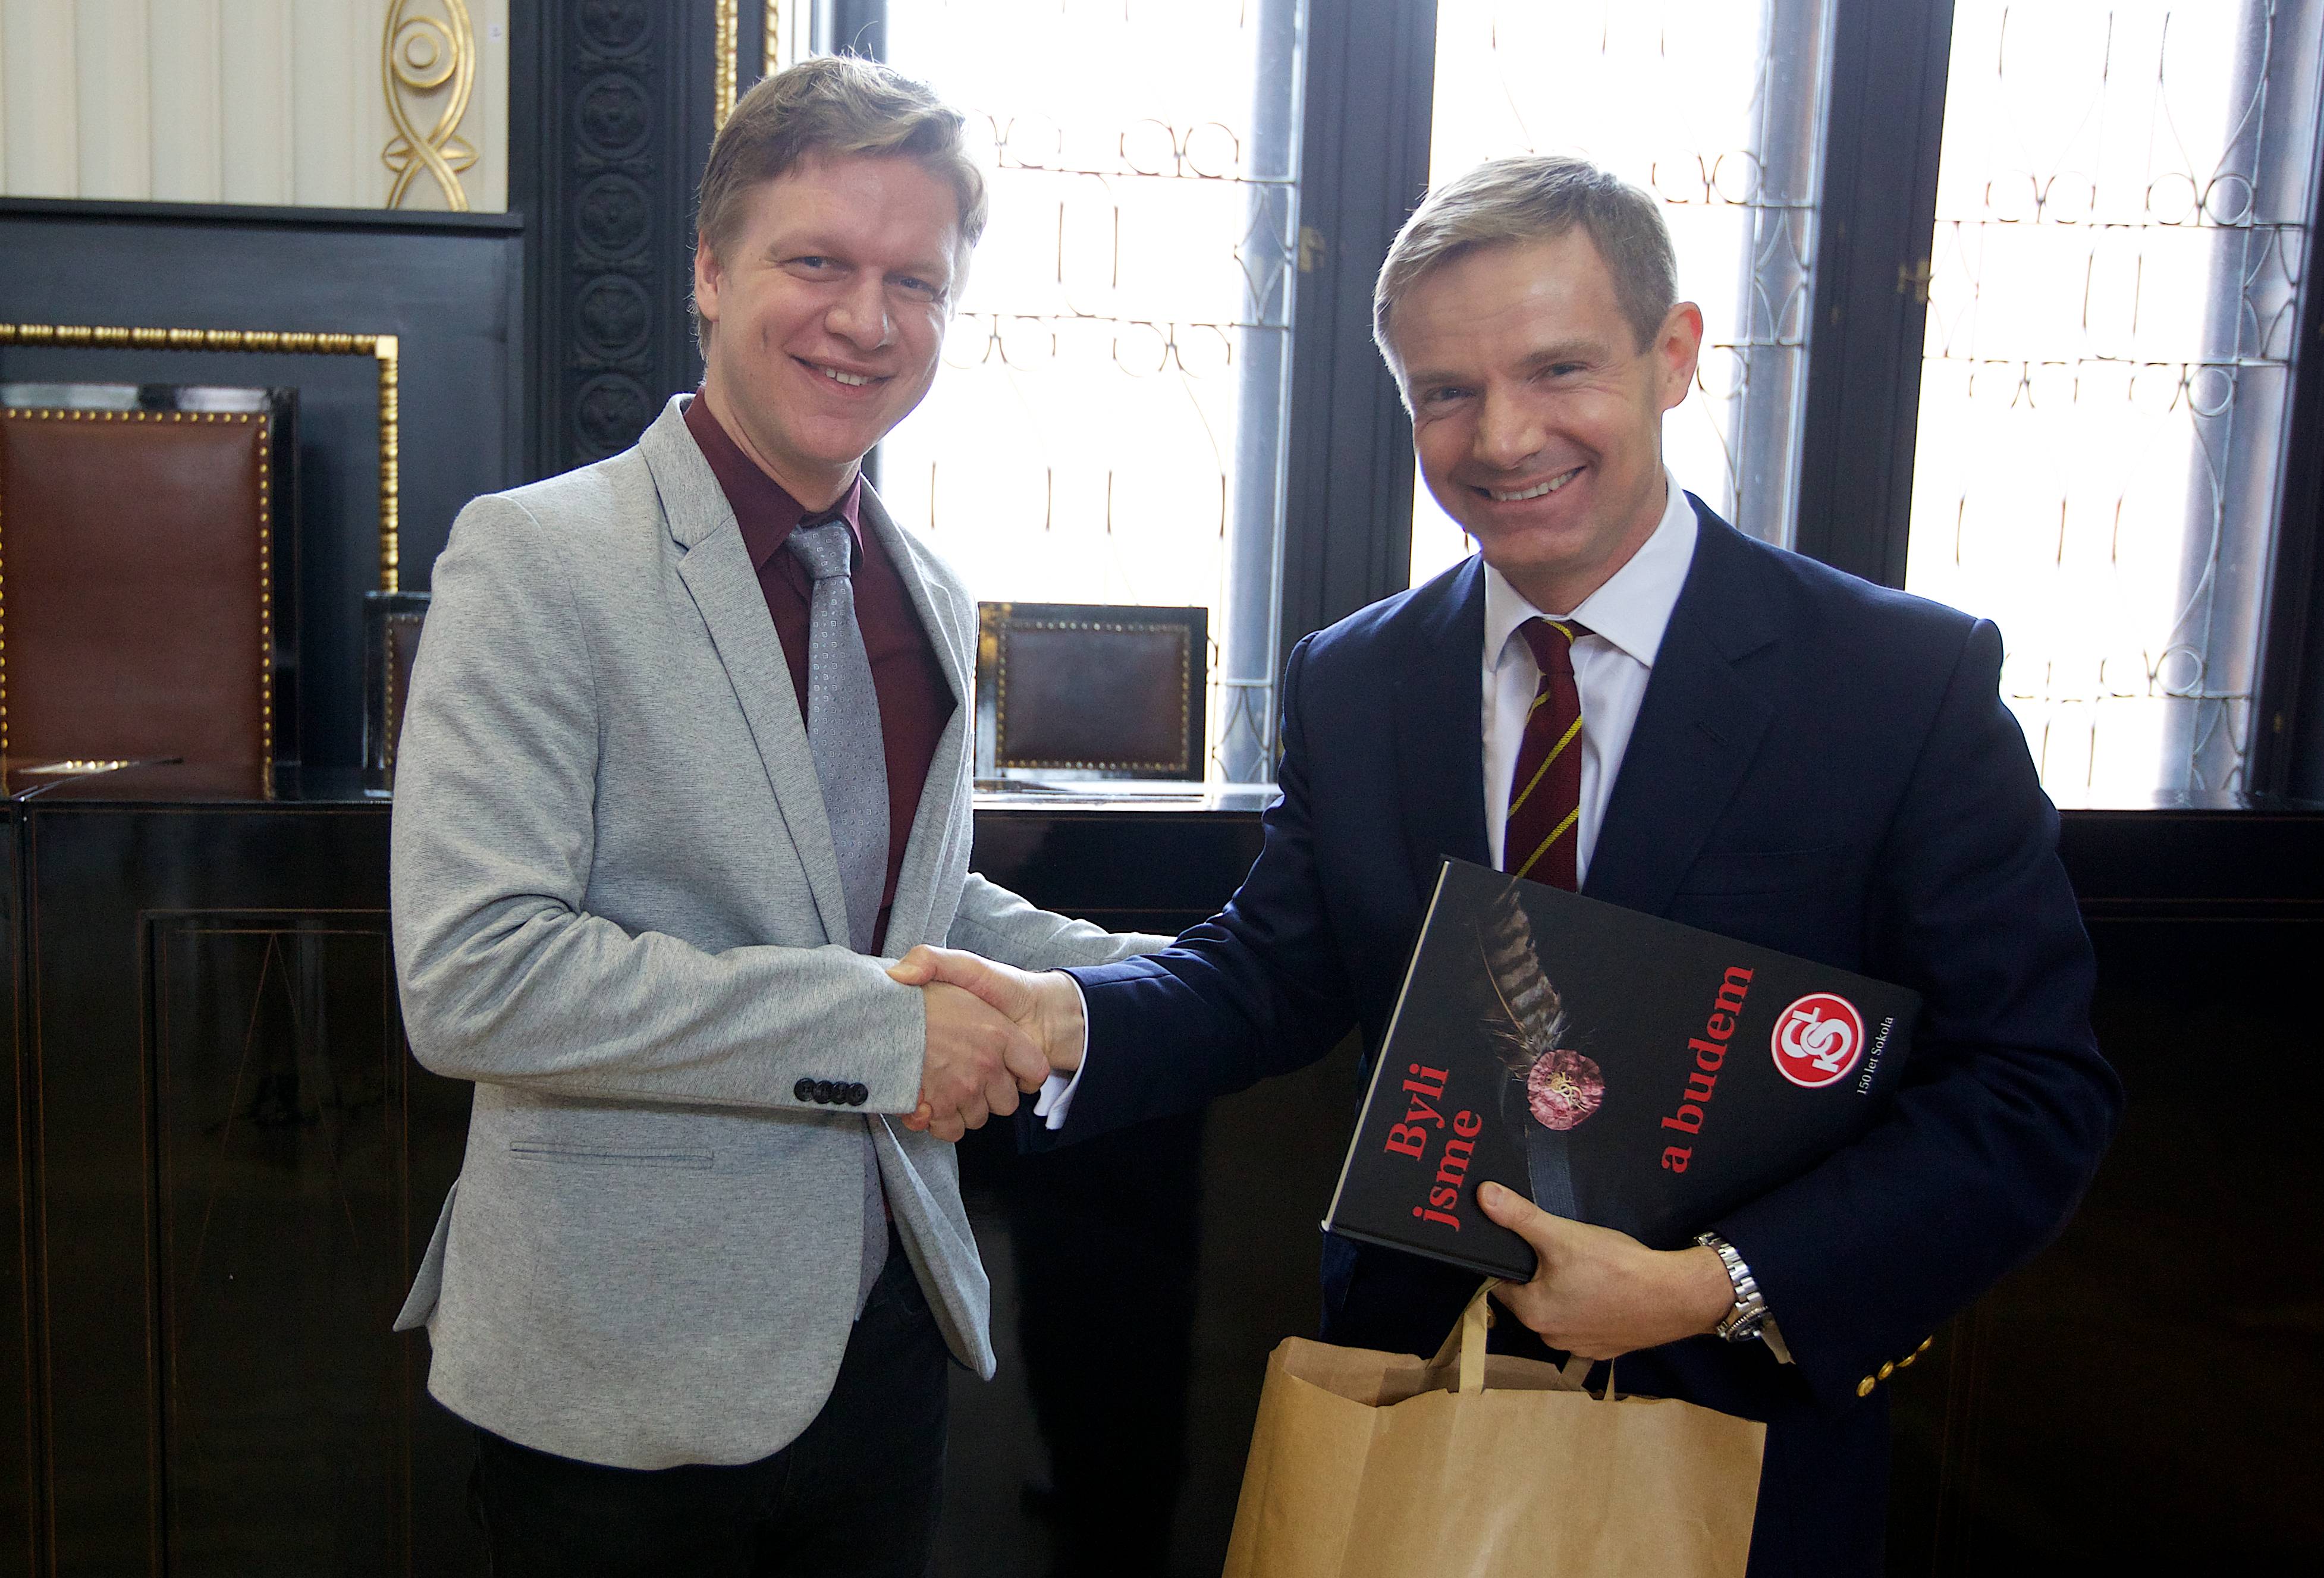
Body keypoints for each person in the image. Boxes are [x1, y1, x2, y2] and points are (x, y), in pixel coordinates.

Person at [893, 154, 2124, 1577]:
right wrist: (1070, 1017)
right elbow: (1271, 970)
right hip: (1415, 1413)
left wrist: (1712, 1287)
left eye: (1558, 369)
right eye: (1446, 391)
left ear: (1674, 355)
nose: (1501, 435)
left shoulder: (1898, 682)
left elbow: (2029, 1088)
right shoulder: (1358, 679)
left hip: (1735, 1448)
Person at [388, 56, 1161, 1577]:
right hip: (617, 1378)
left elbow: (909, 905)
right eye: (816, 262)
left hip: (885, 1339)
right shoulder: (534, 558)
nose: (865, 319)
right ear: (709, 269)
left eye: (913, 281)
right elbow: (478, 977)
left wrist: (1166, 975)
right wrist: (886, 1037)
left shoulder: (926, 586)